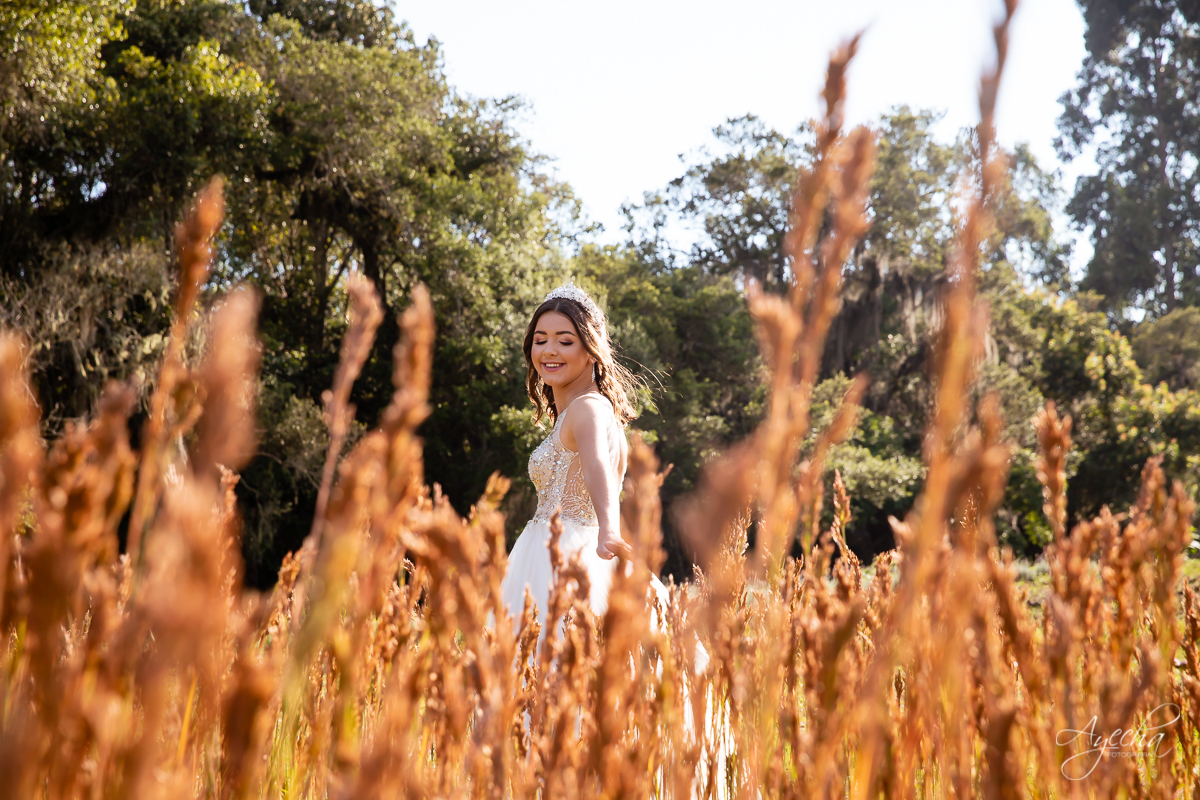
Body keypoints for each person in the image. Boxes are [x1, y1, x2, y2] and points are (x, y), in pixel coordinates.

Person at [499, 282, 669, 630]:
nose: (549, 350)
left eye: (565, 341)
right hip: (553, 549)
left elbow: (597, 466)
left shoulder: (586, 408)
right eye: (540, 340)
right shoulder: (587, 409)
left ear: (591, 350)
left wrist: (609, 528)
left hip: (567, 552)